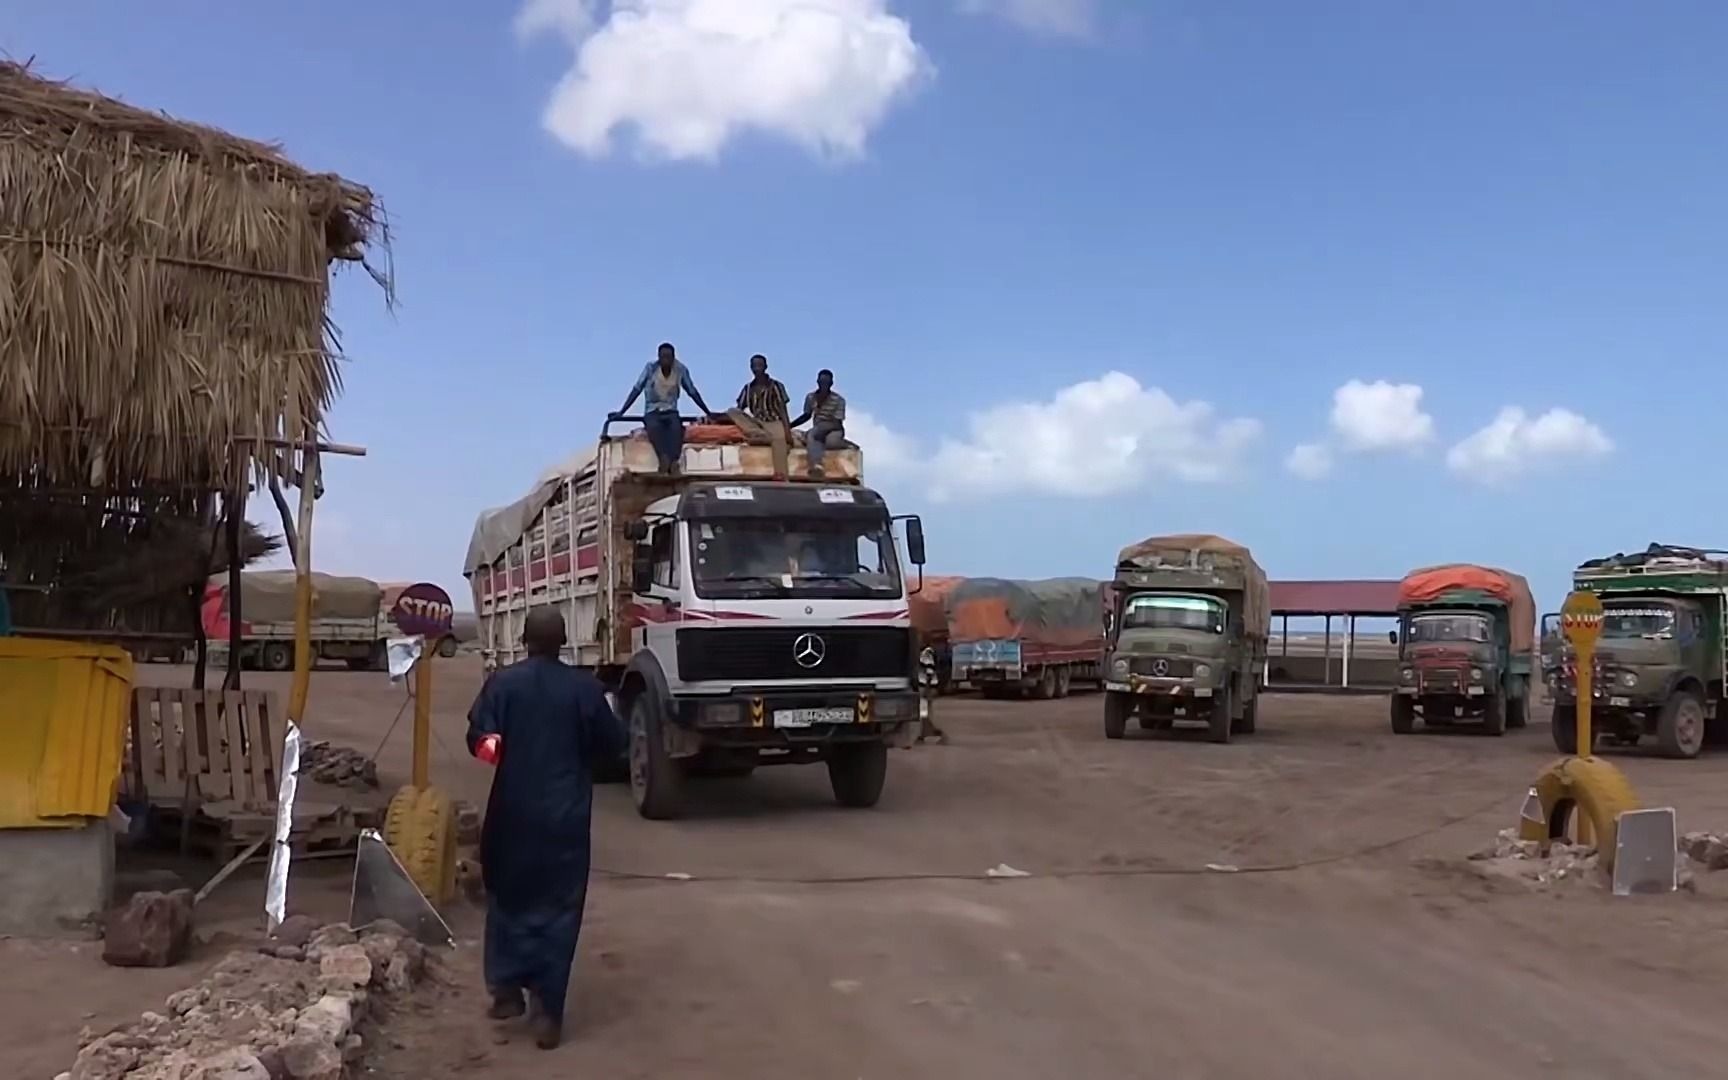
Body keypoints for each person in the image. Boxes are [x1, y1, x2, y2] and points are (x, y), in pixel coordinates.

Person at [465, 608, 627, 1050]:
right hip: (564, 817)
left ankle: (505, 989)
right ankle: (548, 1013)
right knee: (560, 907)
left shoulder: (503, 685)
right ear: (562, 642)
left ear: (524, 640)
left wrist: (499, 750)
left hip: (513, 812)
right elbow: (613, 744)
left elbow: (480, 739)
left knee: (507, 896)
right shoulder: (585, 689)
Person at [612, 342, 716, 474]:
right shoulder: (650, 369)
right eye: (663, 357)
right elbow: (636, 389)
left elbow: (692, 391)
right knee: (654, 428)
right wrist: (621, 412)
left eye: (669, 357)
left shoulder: (680, 370)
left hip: (671, 411)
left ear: (674, 357)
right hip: (652, 410)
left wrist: (707, 411)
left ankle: (674, 462)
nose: (666, 360)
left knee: (676, 429)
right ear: (659, 357)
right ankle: (663, 458)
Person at [729, 354, 792, 478]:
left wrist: (787, 430)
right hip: (756, 422)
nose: (757, 368)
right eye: (754, 366)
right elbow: (739, 409)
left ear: (765, 367)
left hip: (773, 421)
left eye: (759, 365)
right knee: (732, 411)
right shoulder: (748, 388)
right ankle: (761, 435)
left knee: (780, 441)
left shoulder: (776, 385)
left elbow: (783, 409)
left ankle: (780, 474)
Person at [791, 369, 847, 478]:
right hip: (818, 428)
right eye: (822, 381)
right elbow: (806, 415)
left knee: (826, 441)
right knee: (813, 438)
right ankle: (817, 465)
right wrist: (789, 425)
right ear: (817, 382)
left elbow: (837, 422)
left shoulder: (838, 400)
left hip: (834, 428)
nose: (824, 384)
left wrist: (821, 428)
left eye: (826, 382)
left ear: (831, 383)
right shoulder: (811, 397)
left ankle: (817, 463)